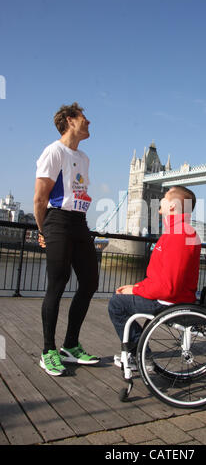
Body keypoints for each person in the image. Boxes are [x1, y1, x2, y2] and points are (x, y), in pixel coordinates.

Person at [34, 102, 100, 376]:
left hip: (79, 222)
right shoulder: (54, 151)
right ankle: (48, 350)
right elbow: (40, 198)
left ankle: (70, 345)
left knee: (90, 282)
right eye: (84, 117)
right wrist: (43, 230)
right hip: (58, 221)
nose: (89, 122)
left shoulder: (84, 157)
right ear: (70, 120)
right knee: (58, 283)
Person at [108, 185, 201, 366]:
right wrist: (136, 289)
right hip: (174, 298)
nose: (161, 199)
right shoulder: (177, 231)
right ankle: (141, 353)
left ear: (173, 205)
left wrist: (135, 289)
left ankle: (140, 356)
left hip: (169, 302)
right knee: (122, 296)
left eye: (165, 197)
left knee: (117, 303)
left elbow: (167, 287)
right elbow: (163, 279)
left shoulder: (179, 234)